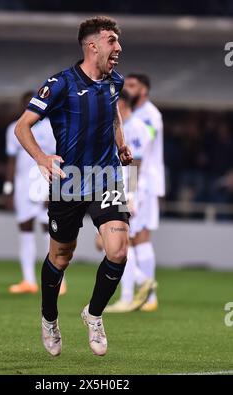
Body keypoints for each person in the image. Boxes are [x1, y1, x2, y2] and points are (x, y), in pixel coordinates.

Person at [15, 16, 132, 357]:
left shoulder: (115, 81)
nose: (119, 48)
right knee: (61, 256)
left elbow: (113, 114)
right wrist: (41, 158)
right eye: (112, 40)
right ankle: (49, 318)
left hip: (107, 175)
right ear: (92, 45)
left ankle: (94, 314)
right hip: (69, 179)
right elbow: (23, 127)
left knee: (119, 250)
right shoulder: (61, 83)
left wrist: (121, 143)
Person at [107, 73, 164, 312]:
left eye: (132, 85)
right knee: (133, 239)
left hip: (139, 185)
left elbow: (137, 159)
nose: (128, 88)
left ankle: (135, 292)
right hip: (133, 184)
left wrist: (129, 193)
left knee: (122, 239)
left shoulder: (147, 117)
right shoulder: (132, 120)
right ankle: (145, 292)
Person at [4, 91, 67, 295]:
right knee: (25, 227)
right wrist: (8, 189)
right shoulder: (14, 128)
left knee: (50, 229)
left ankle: (59, 279)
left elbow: (58, 159)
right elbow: (11, 160)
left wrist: (55, 190)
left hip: (43, 181)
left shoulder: (51, 128)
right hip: (22, 184)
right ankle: (28, 280)